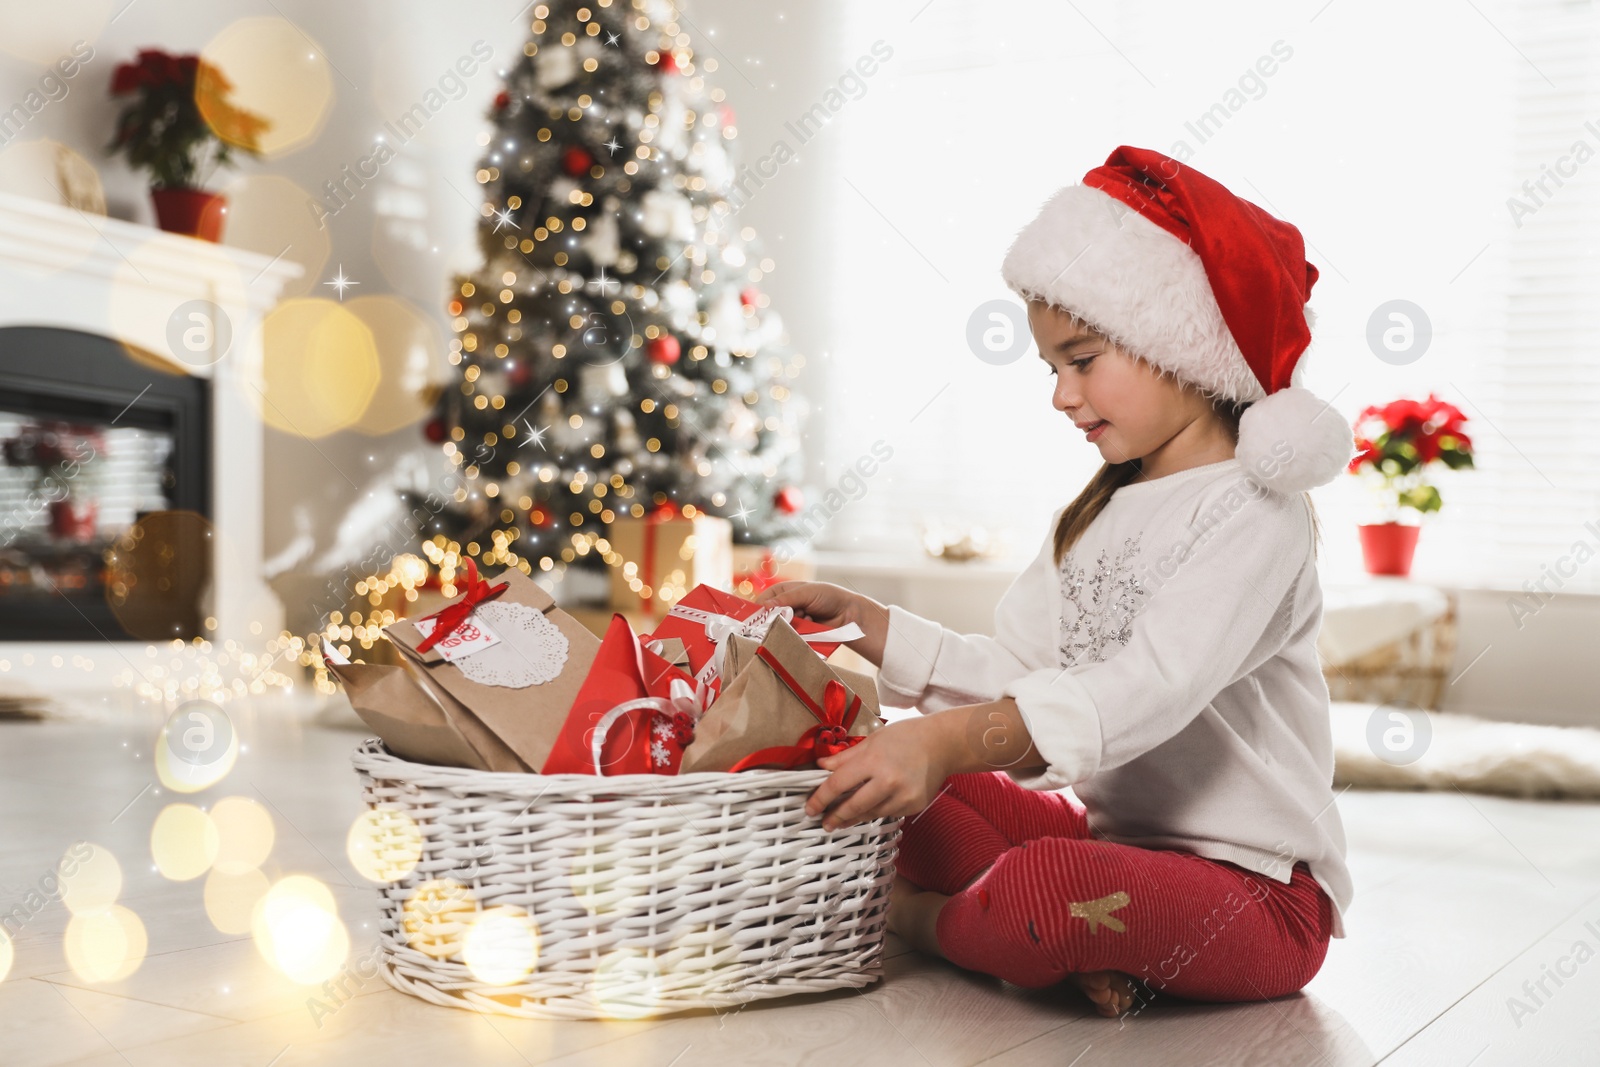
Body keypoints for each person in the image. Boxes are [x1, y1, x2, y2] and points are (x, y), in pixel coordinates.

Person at [754, 145, 1356, 1018]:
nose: (1061, 396)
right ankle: (1060, 936)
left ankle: (925, 920)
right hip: (1120, 849)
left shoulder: (1253, 510)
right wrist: (872, 626)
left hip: (1255, 890)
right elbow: (1020, 664)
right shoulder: (1099, 509)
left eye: (1082, 359)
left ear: (1177, 341)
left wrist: (953, 741)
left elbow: (1150, 688)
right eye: (1051, 369)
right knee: (876, 763)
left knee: (1042, 880)